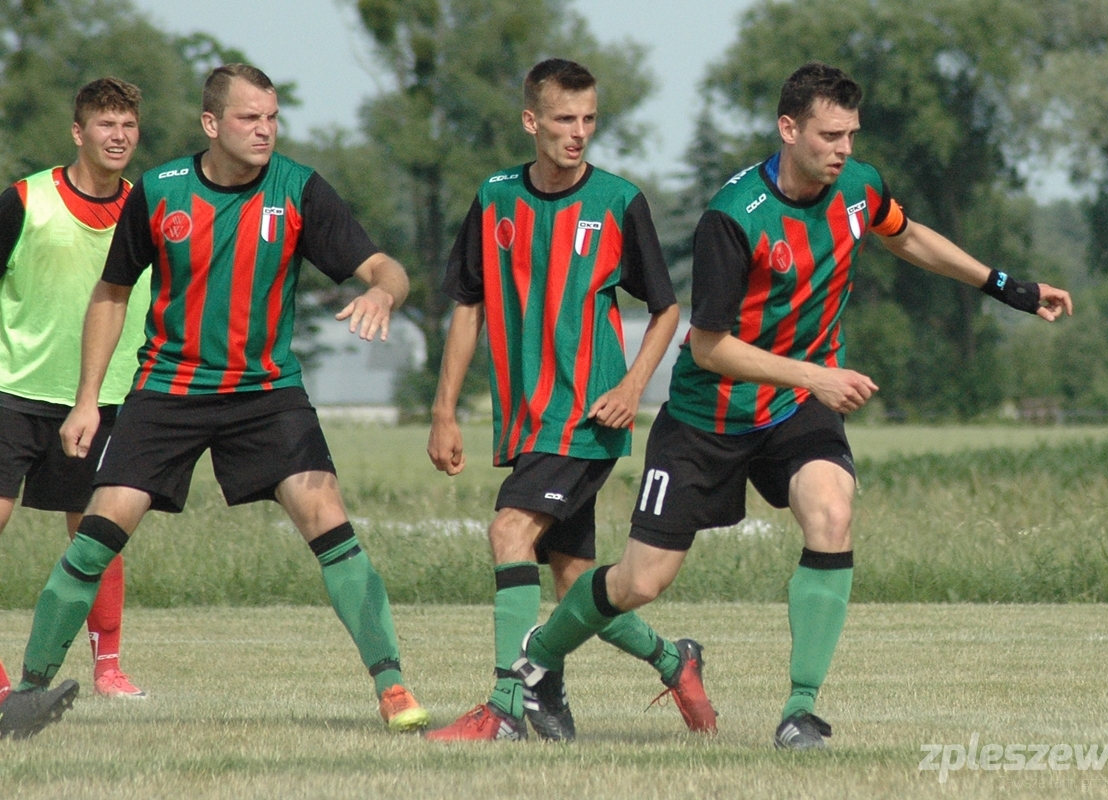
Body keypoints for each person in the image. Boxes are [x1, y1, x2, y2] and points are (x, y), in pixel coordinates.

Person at [512, 61, 1074, 749]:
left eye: (851, 135)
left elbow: (906, 234)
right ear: (788, 128)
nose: (843, 149)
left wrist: (1008, 287)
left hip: (792, 407)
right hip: (707, 416)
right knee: (640, 582)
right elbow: (710, 346)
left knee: (832, 512)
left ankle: (800, 712)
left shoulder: (859, 188)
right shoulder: (732, 218)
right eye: (829, 135)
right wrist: (816, 376)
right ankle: (540, 659)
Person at [0, 63, 430, 740]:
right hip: (168, 390)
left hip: (265, 393)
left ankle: (392, 685)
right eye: (249, 118)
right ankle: (25, 697)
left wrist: (383, 292)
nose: (265, 130)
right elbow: (111, 294)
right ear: (211, 123)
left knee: (328, 520)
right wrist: (87, 400)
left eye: (272, 117)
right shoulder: (161, 190)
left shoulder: (298, 189)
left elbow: (385, 268)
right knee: (98, 533)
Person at [424, 58, 714, 742]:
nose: (578, 132)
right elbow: (468, 306)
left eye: (589, 119)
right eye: (564, 119)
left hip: (585, 417)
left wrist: (631, 386)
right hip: (526, 421)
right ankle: (673, 661)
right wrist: (444, 411)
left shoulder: (618, 201)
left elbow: (668, 310)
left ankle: (505, 706)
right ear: (532, 121)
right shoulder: (494, 197)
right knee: (577, 584)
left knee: (508, 532)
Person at [0, 77, 152, 702]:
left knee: (97, 535)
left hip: (110, 397)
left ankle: (109, 669)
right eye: (105, 124)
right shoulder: (23, 200)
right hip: (14, 390)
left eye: (128, 125)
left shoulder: (149, 207)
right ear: (77, 132)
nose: (118, 137)